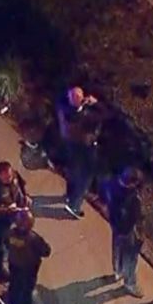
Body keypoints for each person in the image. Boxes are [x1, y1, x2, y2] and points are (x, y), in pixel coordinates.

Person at [57, 86, 107, 218]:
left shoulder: (64, 108)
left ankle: (69, 195)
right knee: (84, 178)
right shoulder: (79, 115)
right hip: (84, 148)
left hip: (71, 145)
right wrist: (92, 104)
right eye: (77, 97)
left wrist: (90, 103)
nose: (81, 98)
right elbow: (103, 115)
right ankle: (74, 206)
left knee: (73, 172)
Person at [0, 161, 30, 279]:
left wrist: (26, 196)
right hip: (0, 220)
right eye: (7, 177)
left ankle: (2, 259)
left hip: (14, 215)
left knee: (9, 240)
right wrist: (4, 210)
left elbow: (21, 185)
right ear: (0, 175)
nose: (10, 178)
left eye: (10, 175)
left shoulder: (14, 175)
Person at [104, 167, 144, 296]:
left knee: (116, 248)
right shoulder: (133, 198)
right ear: (132, 183)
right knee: (130, 258)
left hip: (115, 224)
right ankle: (129, 283)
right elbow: (134, 217)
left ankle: (117, 271)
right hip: (126, 230)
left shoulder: (113, 185)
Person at [6, 211, 51, 304]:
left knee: (14, 285)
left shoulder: (9, 233)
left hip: (14, 263)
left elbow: (6, 245)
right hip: (28, 267)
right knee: (26, 290)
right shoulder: (33, 238)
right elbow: (46, 251)